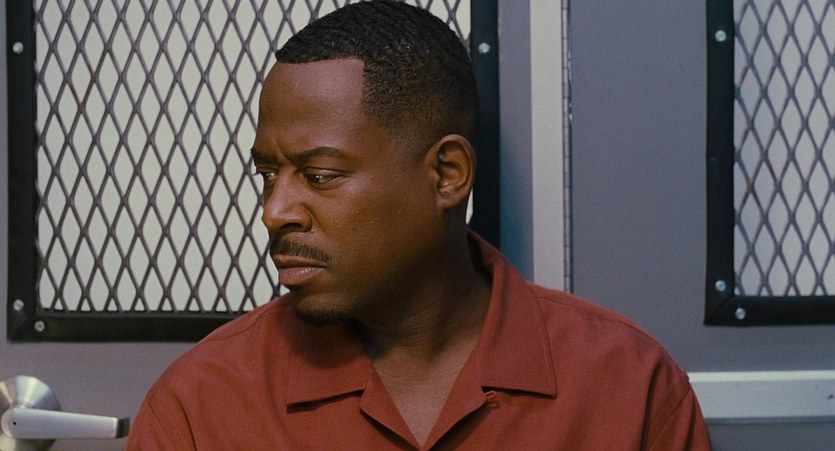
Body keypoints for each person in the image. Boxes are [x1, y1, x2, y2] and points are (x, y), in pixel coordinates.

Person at [127, 1, 711, 449]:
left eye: (320, 175)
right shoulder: (199, 406)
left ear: (447, 174)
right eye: (267, 174)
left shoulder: (629, 387)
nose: (275, 211)